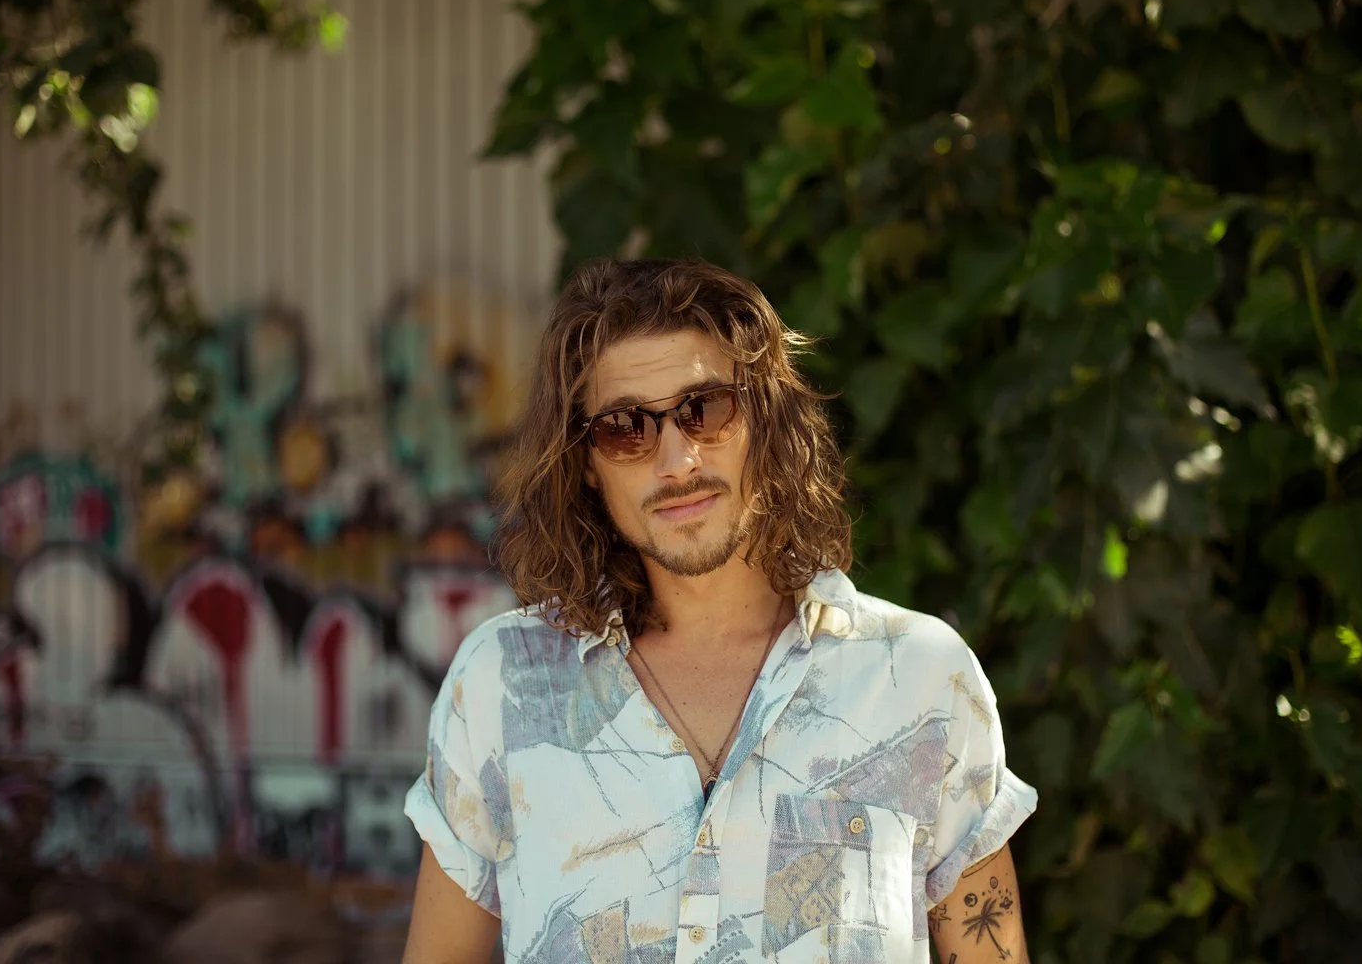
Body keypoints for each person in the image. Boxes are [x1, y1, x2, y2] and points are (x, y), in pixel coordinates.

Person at [400, 258, 1037, 964]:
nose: (676, 460)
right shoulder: (501, 685)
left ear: (764, 421)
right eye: (625, 427)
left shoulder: (920, 681)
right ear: (585, 461)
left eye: (705, 409)